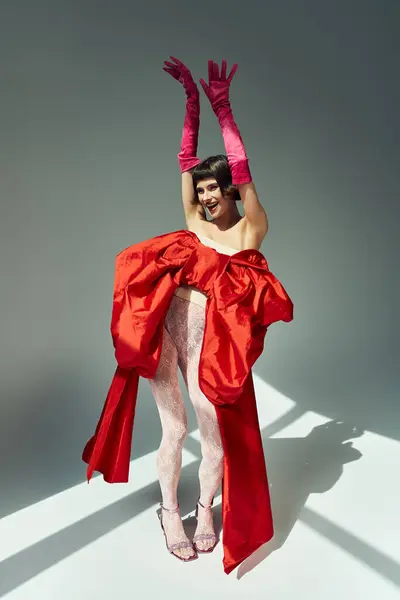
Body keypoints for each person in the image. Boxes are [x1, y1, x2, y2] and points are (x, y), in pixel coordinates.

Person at [82, 58, 293, 574]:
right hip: (168, 329)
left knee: (212, 430)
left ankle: (205, 512)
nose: (204, 195)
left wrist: (224, 108)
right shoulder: (193, 222)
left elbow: (244, 173)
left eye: (211, 188)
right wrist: (192, 106)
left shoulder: (249, 230)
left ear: (228, 189)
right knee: (174, 429)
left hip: (209, 341)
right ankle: (170, 513)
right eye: (200, 190)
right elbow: (183, 160)